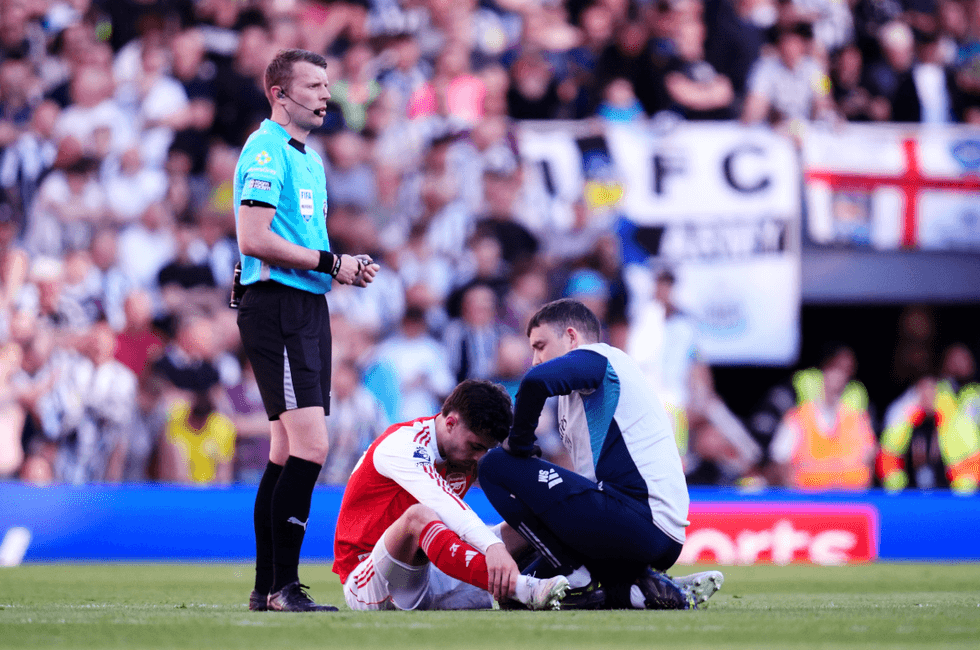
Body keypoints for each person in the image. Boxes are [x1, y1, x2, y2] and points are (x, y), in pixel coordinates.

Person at [233, 48, 380, 613]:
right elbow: (254, 238)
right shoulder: (266, 149)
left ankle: (266, 585)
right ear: (280, 93)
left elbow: (290, 239)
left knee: (286, 447)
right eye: (314, 85)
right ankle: (281, 587)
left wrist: (338, 266)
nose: (325, 94)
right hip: (279, 306)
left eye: (327, 84)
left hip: (304, 306)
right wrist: (330, 263)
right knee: (312, 446)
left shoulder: (308, 159)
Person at [477, 299, 723, 610]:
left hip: (638, 518)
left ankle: (578, 574)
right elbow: (576, 495)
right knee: (522, 595)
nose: (536, 359)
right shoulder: (579, 394)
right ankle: (640, 588)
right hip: (647, 531)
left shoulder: (599, 358)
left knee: (495, 464)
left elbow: (534, 381)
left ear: (571, 337)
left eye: (541, 346)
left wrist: (519, 445)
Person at [333, 379, 570, 611]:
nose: (479, 457)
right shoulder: (402, 445)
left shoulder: (463, 454)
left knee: (533, 522)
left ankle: (575, 581)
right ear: (450, 423)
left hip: (427, 574)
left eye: (486, 449)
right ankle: (521, 588)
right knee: (419, 515)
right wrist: (492, 547)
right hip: (369, 581)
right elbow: (442, 502)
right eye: (475, 446)